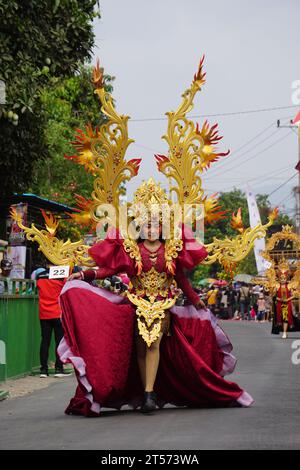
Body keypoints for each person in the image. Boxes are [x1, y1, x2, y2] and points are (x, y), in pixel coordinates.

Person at [57, 180, 253, 416]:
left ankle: (149, 393)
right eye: (146, 226)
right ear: (140, 228)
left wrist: (194, 299)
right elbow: (109, 270)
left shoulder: (170, 250)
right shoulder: (132, 250)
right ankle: (146, 391)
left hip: (163, 305)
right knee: (141, 349)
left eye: (155, 226)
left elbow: (181, 278)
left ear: (162, 228)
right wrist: (84, 274)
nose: (151, 230)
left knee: (154, 344)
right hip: (137, 305)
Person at [36, 267, 71, 378]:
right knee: (59, 342)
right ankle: (58, 369)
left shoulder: (40, 276)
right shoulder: (62, 275)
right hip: (57, 312)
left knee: (45, 341)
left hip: (44, 313)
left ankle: (43, 370)